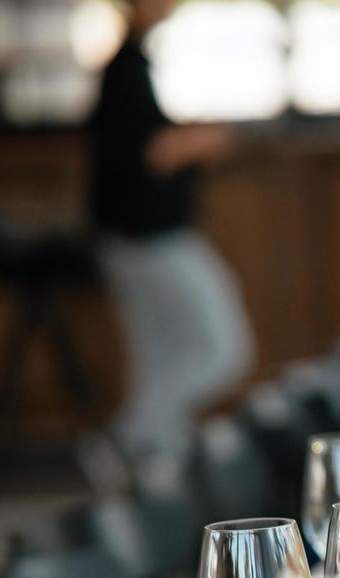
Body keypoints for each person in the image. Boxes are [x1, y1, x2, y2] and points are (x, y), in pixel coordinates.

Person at [87, 0, 253, 483]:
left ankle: (152, 460)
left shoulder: (135, 63)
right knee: (222, 348)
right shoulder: (123, 67)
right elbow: (147, 153)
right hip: (147, 236)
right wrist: (200, 141)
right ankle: (135, 439)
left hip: (134, 236)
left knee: (159, 352)